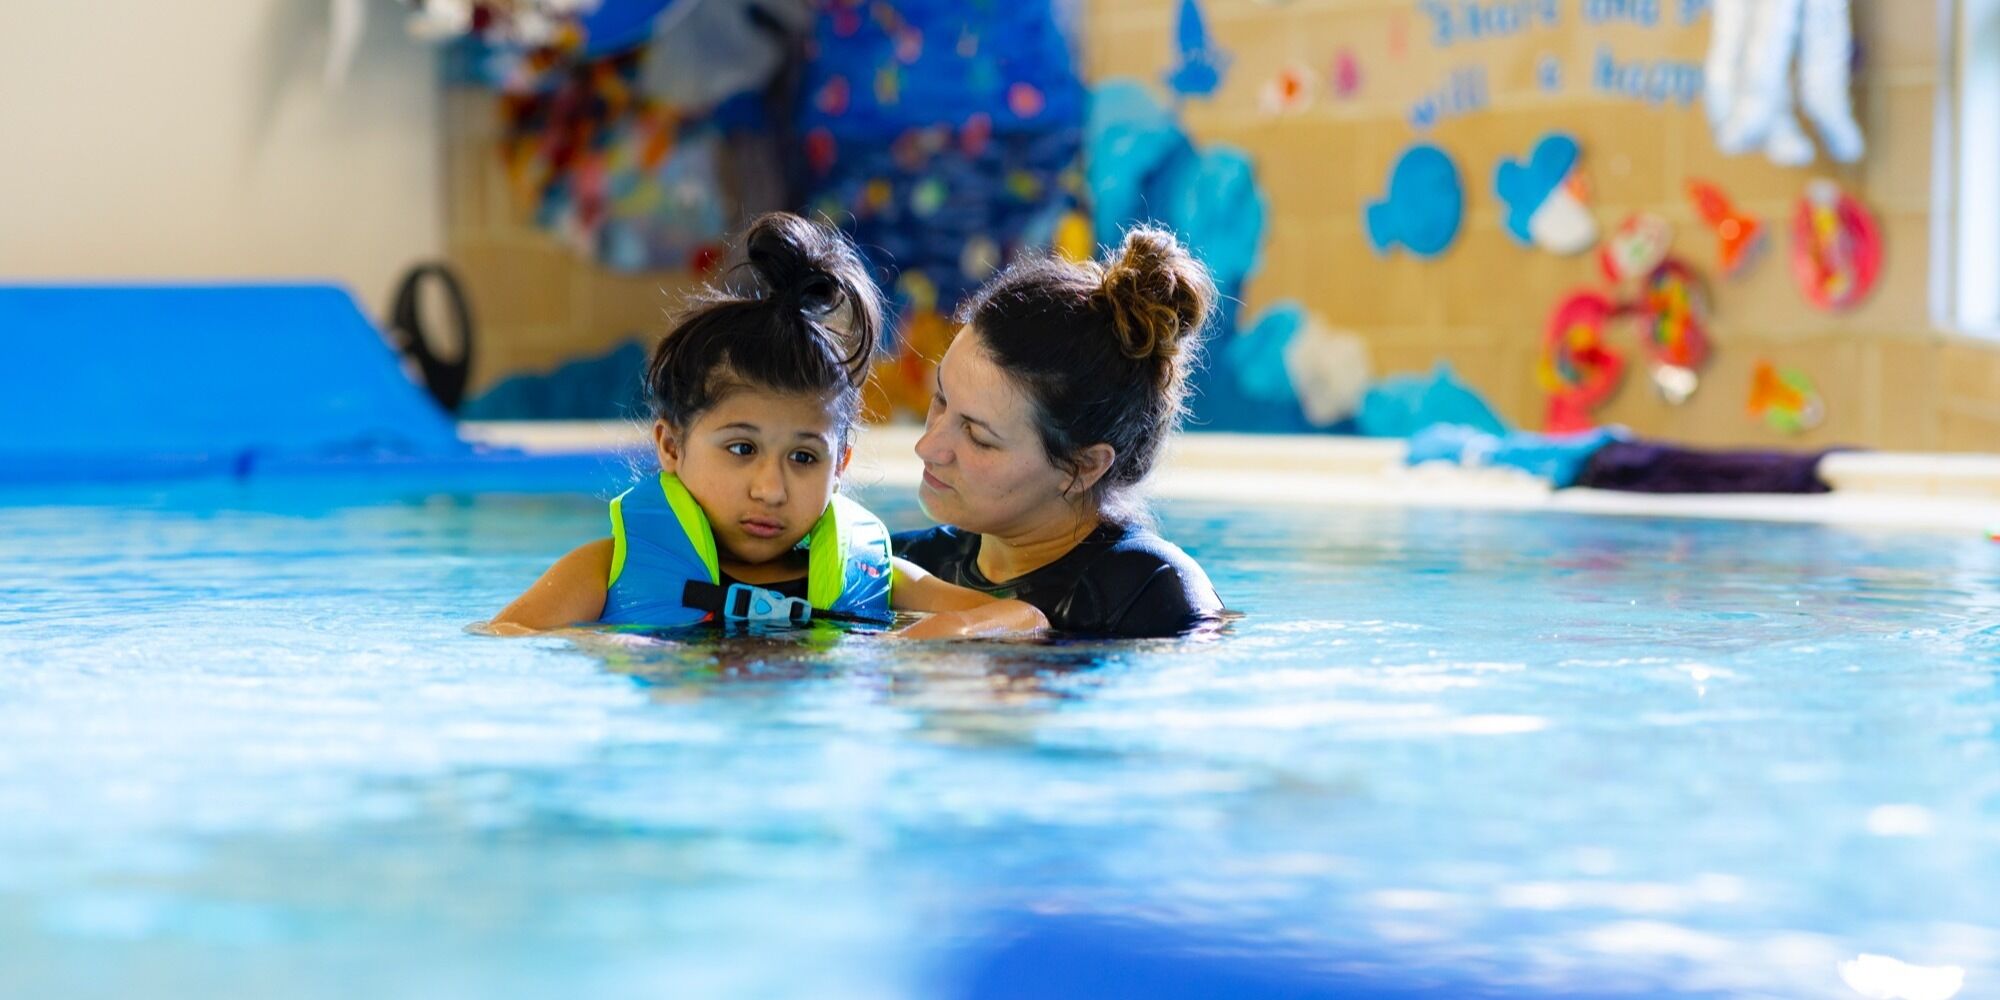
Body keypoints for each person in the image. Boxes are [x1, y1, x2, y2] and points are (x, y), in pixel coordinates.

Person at [491, 213, 1046, 637]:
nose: (770, 489)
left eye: (804, 457)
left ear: (841, 465)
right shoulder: (605, 571)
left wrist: (935, 636)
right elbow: (498, 646)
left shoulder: (877, 577)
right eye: (740, 449)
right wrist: (603, 648)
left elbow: (1025, 619)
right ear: (670, 443)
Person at [895, 226, 1225, 638]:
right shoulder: (904, 565)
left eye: (978, 437)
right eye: (940, 400)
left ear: (1082, 465)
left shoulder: (1152, 598)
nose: (927, 446)